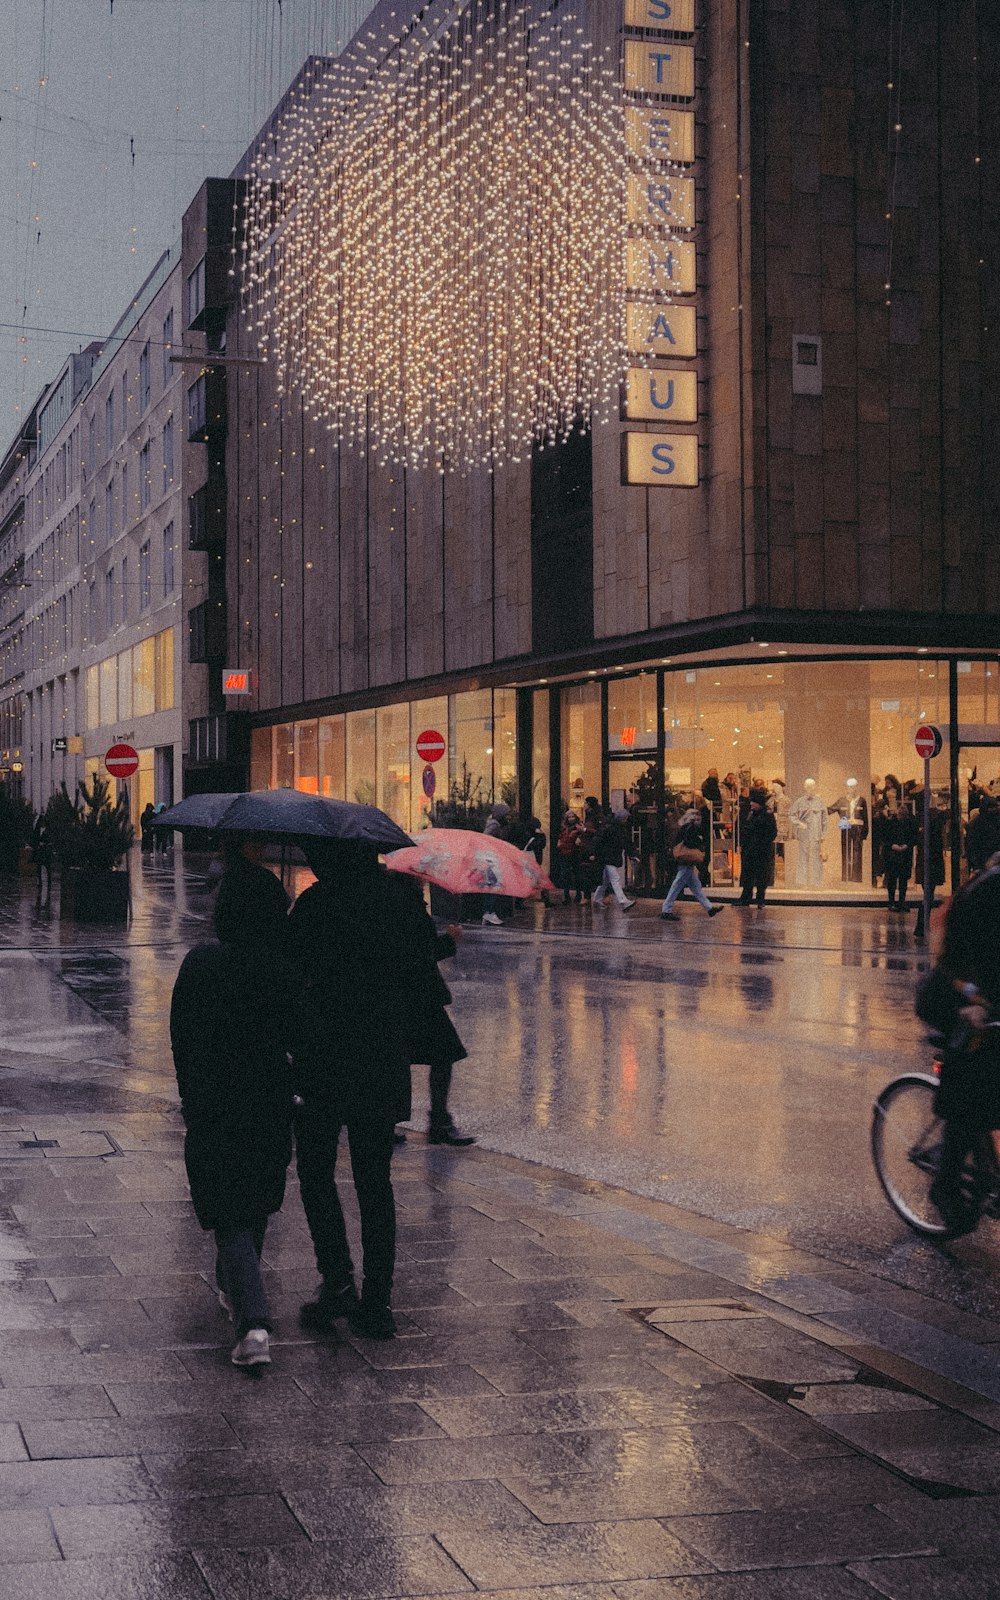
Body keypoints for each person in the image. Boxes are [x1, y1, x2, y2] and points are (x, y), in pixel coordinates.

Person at [289, 841, 425, 1340]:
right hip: (381, 1055)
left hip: (323, 1057)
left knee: (316, 1172)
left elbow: (293, 974)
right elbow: (420, 971)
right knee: (374, 1180)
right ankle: (378, 1302)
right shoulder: (401, 900)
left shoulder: (316, 904)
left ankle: (338, 1282)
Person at [169, 849, 297, 1369]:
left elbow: (182, 1037)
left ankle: (254, 1322)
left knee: (229, 1212)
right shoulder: (283, 969)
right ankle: (235, 1289)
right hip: (270, 1099)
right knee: (255, 1202)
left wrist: (191, 1096)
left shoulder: (202, 965)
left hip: (216, 1100)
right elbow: (297, 1034)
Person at [924, 857, 1000, 1232]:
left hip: (992, 995)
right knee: (971, 1093)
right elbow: (952, 953)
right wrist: (970, 999)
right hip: (959, 995)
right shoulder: (986, 889)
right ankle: (946, 1184)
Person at [660, 799, 724, 921]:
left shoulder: (683, 827)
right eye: (697, 816)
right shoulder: (691, 828)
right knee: (678, 884)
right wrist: (700, 844)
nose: (699, 818)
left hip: (684, 860)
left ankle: (709, 907)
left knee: (695, 886)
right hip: (686, 860)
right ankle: (666, 909)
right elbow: (690, 841)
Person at [738, 789, 778, 907]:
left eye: (753, 802)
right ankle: (746, 898)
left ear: (759, 804)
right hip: (750, 850)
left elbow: (772, 833)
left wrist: (762, 843)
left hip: (761, 850)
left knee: (761, 876)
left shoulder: (767, 816)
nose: (751, 804)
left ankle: (760, 900)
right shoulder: (751, 814)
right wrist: (743, 845)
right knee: (748, 875)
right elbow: (746, 831)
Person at [591, 807, 635, 911]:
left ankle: (597, 899)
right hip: (608, 856)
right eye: (625, 818)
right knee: (615, 879)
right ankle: (623, 901)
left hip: (607, 856)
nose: (626, 820)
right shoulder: (615, 828)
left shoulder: (611, 827)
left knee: (606, 880)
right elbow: (625, 843)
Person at [882, 801, 918, 910]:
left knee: (897, 879)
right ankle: (897, 902)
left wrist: (893, 845)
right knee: (898, 880)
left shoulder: (893, 822)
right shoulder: (907, 823)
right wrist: (905, 845)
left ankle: (894, 902)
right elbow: (914, 837)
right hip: (899, 853)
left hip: (898, 853)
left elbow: (884, 837)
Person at [481, 802, 511, 926]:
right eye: (507, 814)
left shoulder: (495, 824)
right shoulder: (494, 824)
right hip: (491, 859)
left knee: (493, 884)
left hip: (492, 858)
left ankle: (489, 912)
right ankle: (489, 912)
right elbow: (485, 837)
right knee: (493, 885)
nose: (508, 817)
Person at [556, 810, 586, 903]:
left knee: (577, 874)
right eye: (569, 817)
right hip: (564, 853)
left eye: (573, 816)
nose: (571, 818)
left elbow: (584, 837)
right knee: (565, 875)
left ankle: (578, 894)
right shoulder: (564, 828)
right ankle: (566, 895)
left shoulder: (579, 827)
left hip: (575, 853)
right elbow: (561, 837)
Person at [966, 796, 1000, 875]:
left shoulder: (975, 823)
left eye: (995, 807)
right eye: (991, 807)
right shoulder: (976, 824)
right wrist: (976, 866)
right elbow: (972, 845)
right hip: (983, 863)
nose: (993, 810)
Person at [522, 816, 551, 907]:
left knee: (532, 880)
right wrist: (540, 835)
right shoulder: (537, 835)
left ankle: (519, 901)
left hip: (528, 861)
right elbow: (540, 845)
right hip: (534, 861)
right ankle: (546, 901)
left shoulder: (525, 833)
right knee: (540, 880)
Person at [32, 815, 53, 902]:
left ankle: (49, 882)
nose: (42, 823)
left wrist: (45, 844)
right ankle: (40, 882)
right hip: (39, 851)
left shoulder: (49, 830)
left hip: (46, 851)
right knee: (39, 867)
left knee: (48, 867)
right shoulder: (37, 830)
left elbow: (51, 840)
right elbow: (34, 839)